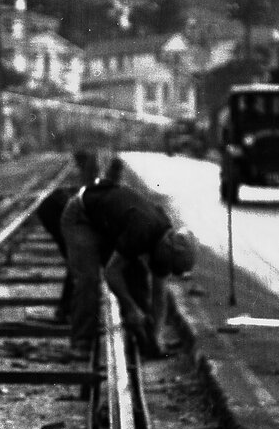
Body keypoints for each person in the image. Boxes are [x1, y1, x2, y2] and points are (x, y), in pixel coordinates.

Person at [59, 169, 197, 359]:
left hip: (107, 224)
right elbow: (111, 272)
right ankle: (81, 343)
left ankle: (147, 340)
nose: (167, 269)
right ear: (168, 249)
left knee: (137, 277)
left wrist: (158, 334)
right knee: (88, 279)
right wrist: (130, 307)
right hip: (81, 217)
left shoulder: (165, 242)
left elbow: (159, 294)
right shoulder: (142, 231)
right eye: (170, 265)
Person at [35, 149, 101, 327]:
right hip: (56, 211)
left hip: (59, 208)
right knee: (76, 263)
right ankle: (65, 311)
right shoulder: (93, 186)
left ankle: (67, 309)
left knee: (76, 263)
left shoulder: (93, 183)